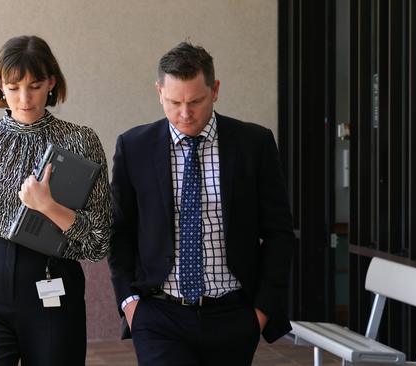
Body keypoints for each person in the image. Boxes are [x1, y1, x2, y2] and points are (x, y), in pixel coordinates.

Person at [108, 41, 295, 365]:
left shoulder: (254, 144)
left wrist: (261, 311)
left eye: (196, 101)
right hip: (159, 314)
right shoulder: (134, 146)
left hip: (233, 315)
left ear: (215, 90)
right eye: (173, 102)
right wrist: (129, 303)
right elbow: (119, 231)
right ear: (159, 92)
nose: (185, 113)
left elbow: (279, 232)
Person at [0, 35, 111, 366]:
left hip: (54, 278)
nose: (24, 98)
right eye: (13, 87)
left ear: (52, 83)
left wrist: (49, 207)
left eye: (35, 85)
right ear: (0, 86)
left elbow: (99, 241)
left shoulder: (81, 141)